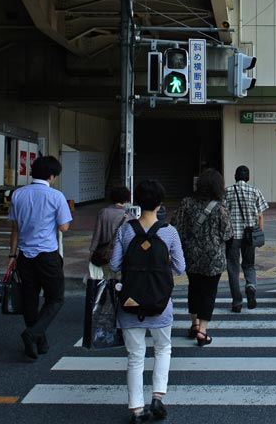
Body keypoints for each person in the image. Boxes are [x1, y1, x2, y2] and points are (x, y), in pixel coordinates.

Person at [110, 179, 185, 423]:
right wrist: (160, 274)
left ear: (138, 202)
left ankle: (136, 409)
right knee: (163, 348)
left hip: (130, 302)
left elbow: (114, 265)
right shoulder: (169, 232)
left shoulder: (125, 229)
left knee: (135, 356)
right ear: (161, 203)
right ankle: (157, 397)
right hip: (161, 302)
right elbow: (180, 267)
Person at [7, 155, 73, 360]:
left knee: (30, 299)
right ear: (52, 176)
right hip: (48, 255)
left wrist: (12, 254)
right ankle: (33, 334)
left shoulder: (18, 194)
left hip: (25, 256)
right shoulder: (56, 197)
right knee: (55, 298)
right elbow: (64, 227)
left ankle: (39, 341)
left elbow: (15, 228)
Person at [171, 168, 233, 346]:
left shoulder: (186, 203)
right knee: (209, 292)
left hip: (191, 255)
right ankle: (203, 331)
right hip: (214, 258)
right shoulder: (220, 207)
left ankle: (194, 324)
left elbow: (176, 226)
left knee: (194, 288)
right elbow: (228, 234)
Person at [224, 165, 269, 313]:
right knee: (249, 265)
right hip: (249, 236)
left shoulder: (227, 191)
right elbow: (260, 215)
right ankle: (251, 286)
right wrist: (260, 232)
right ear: (248, 177)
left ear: (235, 176)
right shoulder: (255, 191)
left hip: (232, 237)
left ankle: (237, 302)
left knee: (233, 268)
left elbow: (222, 214)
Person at [87, 185, 132, 278]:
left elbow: (96, 236)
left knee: (105, 282)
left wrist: (92, 253)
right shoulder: (130, 216)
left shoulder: (103, 212)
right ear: (127, 199)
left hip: (104, 255)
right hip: (122, 257)